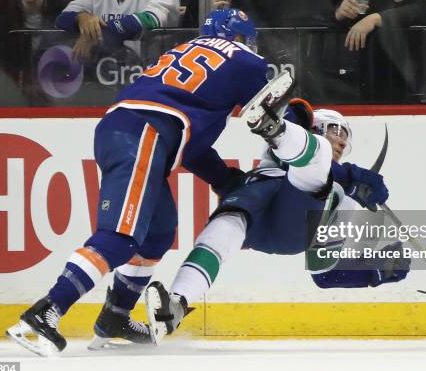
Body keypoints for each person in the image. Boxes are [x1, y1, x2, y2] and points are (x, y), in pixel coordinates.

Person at [6, 8, 279, 356]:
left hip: (129, 128)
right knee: (119, 237)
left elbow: (189, 141)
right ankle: (46, 311)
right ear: (240, 37)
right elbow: (274, 117)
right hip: (144, 134)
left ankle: (116, 315)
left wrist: (225, 178)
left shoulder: (185, 50)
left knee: (158, 232)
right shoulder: (244, 60)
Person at [145, 103, 403, 340]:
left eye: (346, 137)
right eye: (336, 130)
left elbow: (324, 275)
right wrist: (352, 176)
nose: (342, 142)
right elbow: (292, 124)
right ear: (314, 128)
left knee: (320, 170)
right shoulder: (289, 150)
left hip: (290, 227)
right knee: (221, 232)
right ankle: (176, 305)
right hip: (256, 207)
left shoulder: (339, 197)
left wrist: (376, 270)